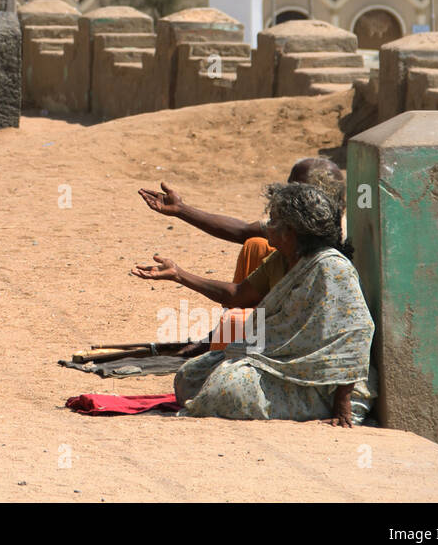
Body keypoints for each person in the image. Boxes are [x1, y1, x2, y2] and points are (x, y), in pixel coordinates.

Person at [133, 183, 375, 426]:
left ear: (290, 231)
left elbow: (356, 332)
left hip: (322, 382)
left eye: (274, 221)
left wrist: (342, 401)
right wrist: (179, 274)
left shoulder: (331, 267)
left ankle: (317, 407)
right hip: (275, 361)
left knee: (226, 388)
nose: (267, 226)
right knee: (189, 376)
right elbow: (237, 294)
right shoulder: (282, 258)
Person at [138, 157, 345, 355]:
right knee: (255, 246)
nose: (283, 193)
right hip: (277, 321)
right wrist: (181, 213)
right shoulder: (287, 239)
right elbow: (236, 289)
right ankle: (228, 336)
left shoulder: (329, 257)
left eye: (292, 187)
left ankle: (232, 340)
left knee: (234, 323)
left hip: (301, 340)